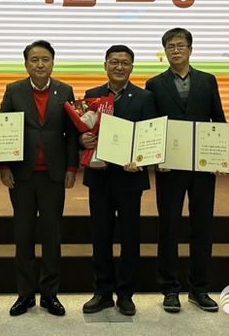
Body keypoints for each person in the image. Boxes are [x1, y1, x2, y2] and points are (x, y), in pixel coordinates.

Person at [145, 28, 226, 313]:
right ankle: (169, 289)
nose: (176, 50)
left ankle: (199, 288)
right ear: (165, 51)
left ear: (190, 49)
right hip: (169, 167)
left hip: (202, 167)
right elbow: (151, 125)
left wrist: (219, 157)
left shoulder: (207, 80)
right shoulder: (154, 84)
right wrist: (156, 156)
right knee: (168, 227)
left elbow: (218, 119)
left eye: (180, 45)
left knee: (202, 226)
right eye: (170, 46)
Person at [0, 40, 78, 317]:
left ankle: (50, 294)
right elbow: (3, 129)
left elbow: (72, 134)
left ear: (52, 63)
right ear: (26, 64)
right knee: (23, 235)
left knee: (51, 235)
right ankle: (25, 294)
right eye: (34, 59)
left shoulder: (64, 90)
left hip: (53, 174)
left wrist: (71, 168)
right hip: (22, 175)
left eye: (45, 59)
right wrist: (3, 166)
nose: (40, 64)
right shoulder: (14, 90)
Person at [80, 45, 157, 316]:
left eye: (125, 63)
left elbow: (150, 135)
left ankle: (125, 294)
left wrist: (141, 159)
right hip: (99, 177)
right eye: (114, 62)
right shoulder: (92, 95)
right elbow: (83, 131)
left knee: (129, 238)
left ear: (132, 67)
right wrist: (83, 140)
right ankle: (102, 292)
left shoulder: (145, 97)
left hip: (129, 178)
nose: (119, 67)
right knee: (100, 237)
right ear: (105, 65)